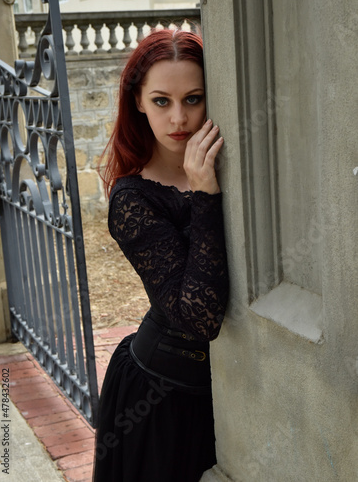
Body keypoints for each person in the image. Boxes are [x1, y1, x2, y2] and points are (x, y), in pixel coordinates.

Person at [93, 27, 229, 482]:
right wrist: (206, 196)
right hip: (161, 396)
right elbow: (200, 318)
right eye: (161, 101)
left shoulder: (234, 159)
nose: (179, 119)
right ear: (137, 101)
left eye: (193, 98)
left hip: (230, 384)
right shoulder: (132, 199)